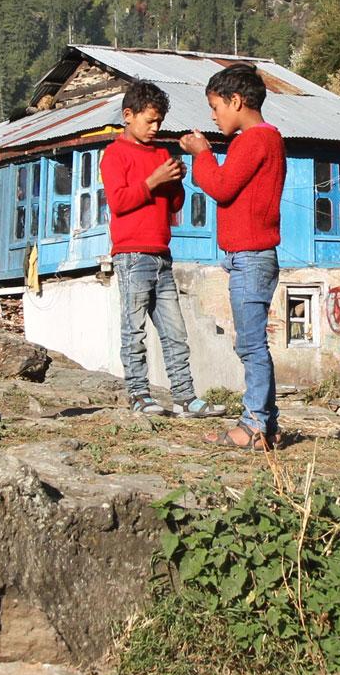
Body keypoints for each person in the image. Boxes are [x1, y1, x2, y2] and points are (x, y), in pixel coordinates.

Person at [180, 63, 286, 448]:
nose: (213, 115)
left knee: (251, 345)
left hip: (251, 255)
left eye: (216, 106)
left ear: (236, 101)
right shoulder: (264, 139)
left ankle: (254, 425)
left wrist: (202, 153)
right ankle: (264, 427)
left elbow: (221, 186)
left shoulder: (255, 140)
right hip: (251, 255)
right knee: (253, 342)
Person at [102, 80, 213, 418]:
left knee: (175, 332)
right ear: (128, 116)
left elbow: (173, 204)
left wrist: (176, 181)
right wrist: (153, 180)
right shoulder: (115, 154)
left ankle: (185, 396)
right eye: (149, 121)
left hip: (162, 253)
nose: (155, 128)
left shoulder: (162, 154)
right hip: (131, 254)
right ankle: (138, 394)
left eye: (159, 122)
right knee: (133, 330)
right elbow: (119, 202)